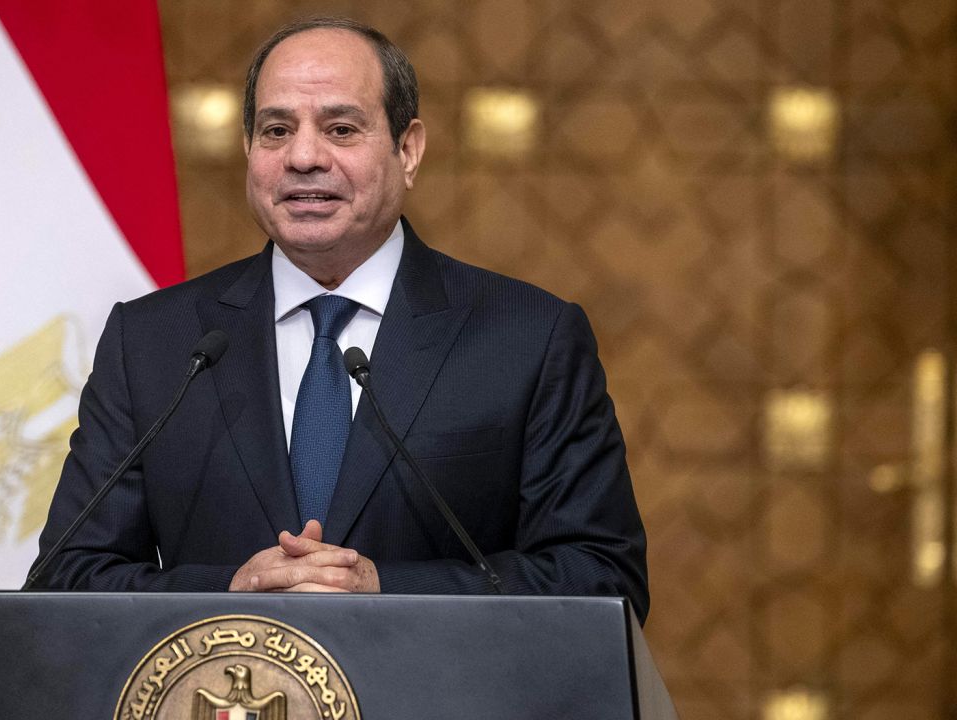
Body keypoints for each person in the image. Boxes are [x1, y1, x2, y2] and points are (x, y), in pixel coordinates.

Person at [32, 17, 649, 621]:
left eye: (342, 128)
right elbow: (67, 576)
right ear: (248, 150)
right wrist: (232, 592)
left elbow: (601, 579)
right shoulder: (153, 342)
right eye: (275, 130)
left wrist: (387, 591)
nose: (303, 156)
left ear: (408, 150)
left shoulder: (528, 338)